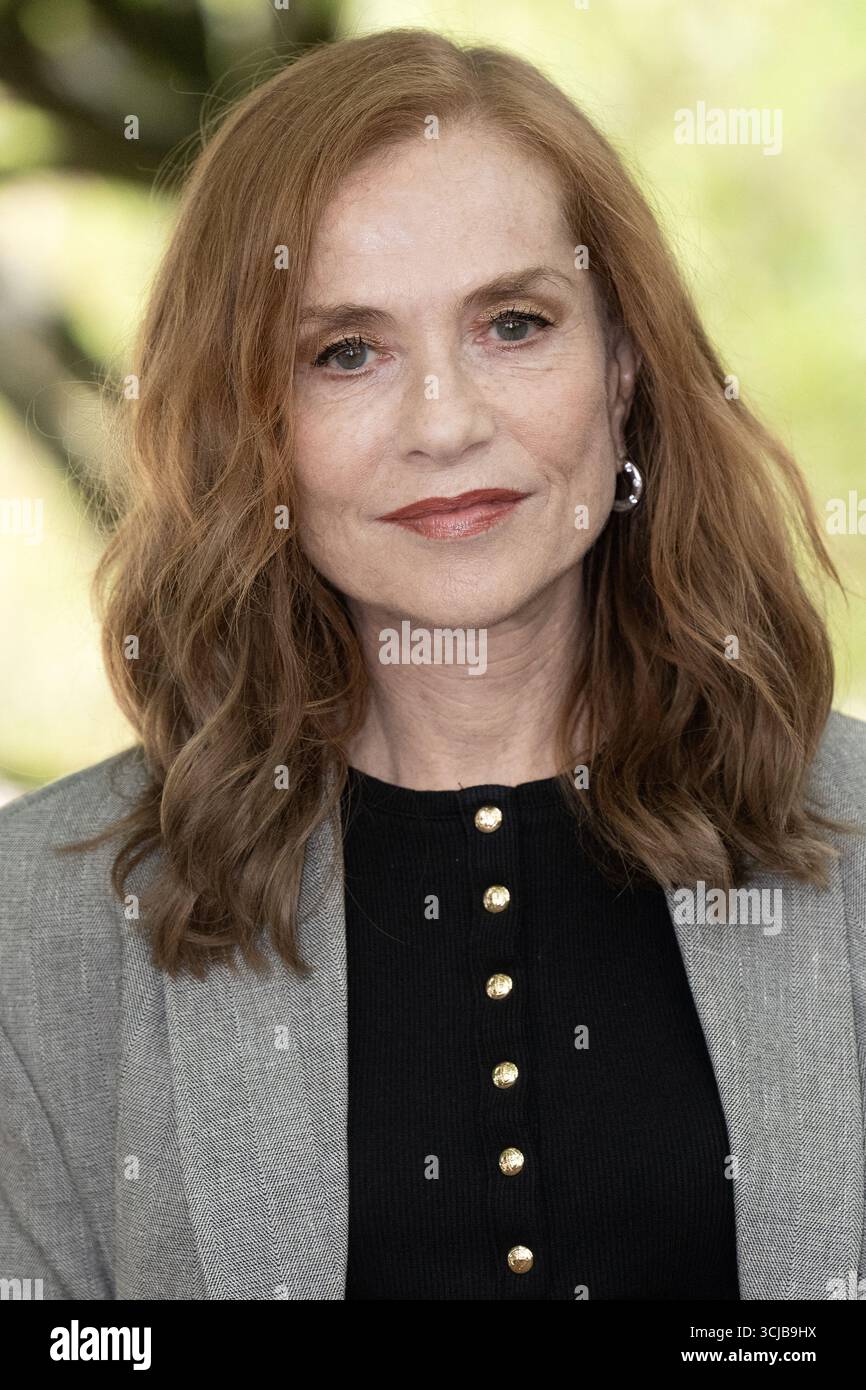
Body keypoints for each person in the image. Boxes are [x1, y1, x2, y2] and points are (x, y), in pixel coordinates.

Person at [1, 26, 864, 1302]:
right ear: (251, 423)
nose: (446, 420)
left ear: (621, 369)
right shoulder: (36, 925)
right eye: (344, 351)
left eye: (513, 324)